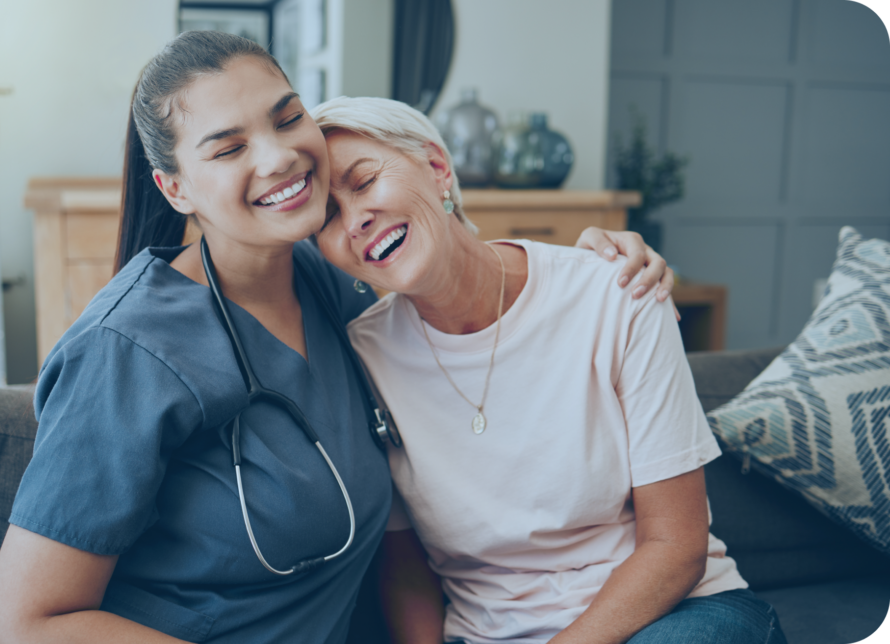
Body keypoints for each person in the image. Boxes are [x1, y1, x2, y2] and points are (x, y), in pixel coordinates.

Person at [0, 32, 672, 643]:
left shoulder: (334, 279)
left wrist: (589, 264)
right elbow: (23, 624)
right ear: (175, 188)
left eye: (287, 118)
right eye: (228, 148)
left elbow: (453, 263)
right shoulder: (124, 350)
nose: (279, 157)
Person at [311, 96, 787, 644]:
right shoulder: (361, 358)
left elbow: (677, 549)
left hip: (675, 618)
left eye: (365, 181)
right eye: (326, 216)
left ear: (437, 168)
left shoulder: (618, 292)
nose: (355, 219)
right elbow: (404, 568)